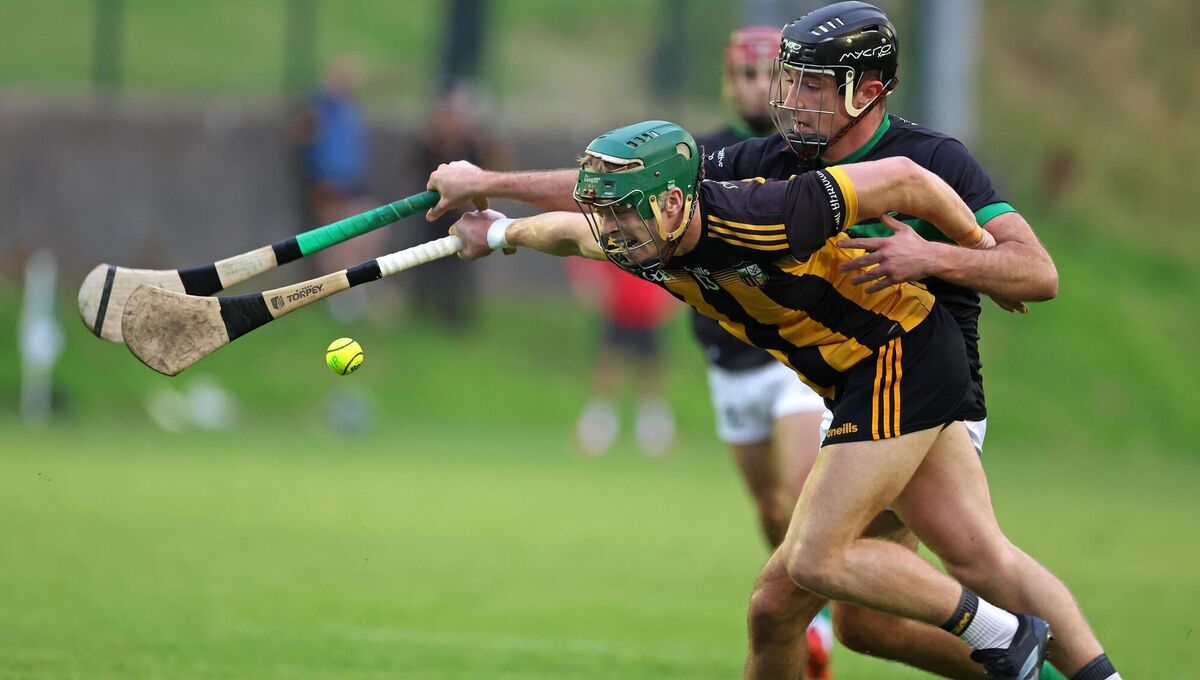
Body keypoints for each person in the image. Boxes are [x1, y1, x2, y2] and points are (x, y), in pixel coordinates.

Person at [421, 3, 1098, 677]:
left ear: (868, 90)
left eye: (812, 83)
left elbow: (1017, 261)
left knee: (820, 564)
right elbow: (595, 207)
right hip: (854, 373)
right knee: (828, 608)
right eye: (790, 79)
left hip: (914, 368)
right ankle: (1057, 664)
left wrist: (946, 257)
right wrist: (496, 208)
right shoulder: (755, 165)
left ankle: (1008, 640)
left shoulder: (890, 168)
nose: (792, 99)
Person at [695, 26, 833, 679]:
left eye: (765, 75)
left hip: (792, 362)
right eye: (744, 76)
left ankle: (821, 624)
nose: (754, 87)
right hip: (727, 364)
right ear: (731, 82)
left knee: (802, 493)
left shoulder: (807, 156)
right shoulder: (703, 155)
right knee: (773, 510)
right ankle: (812, 604)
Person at [567, 257, 679, 456]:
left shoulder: (654, 243)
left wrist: (669, 299)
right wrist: (591, 286)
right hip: (617, 312)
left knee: (650, 377)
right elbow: (591, 268)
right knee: (608, 372)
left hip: (647, 313)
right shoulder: (615, 241)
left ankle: (655, 436)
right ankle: (596, 433)